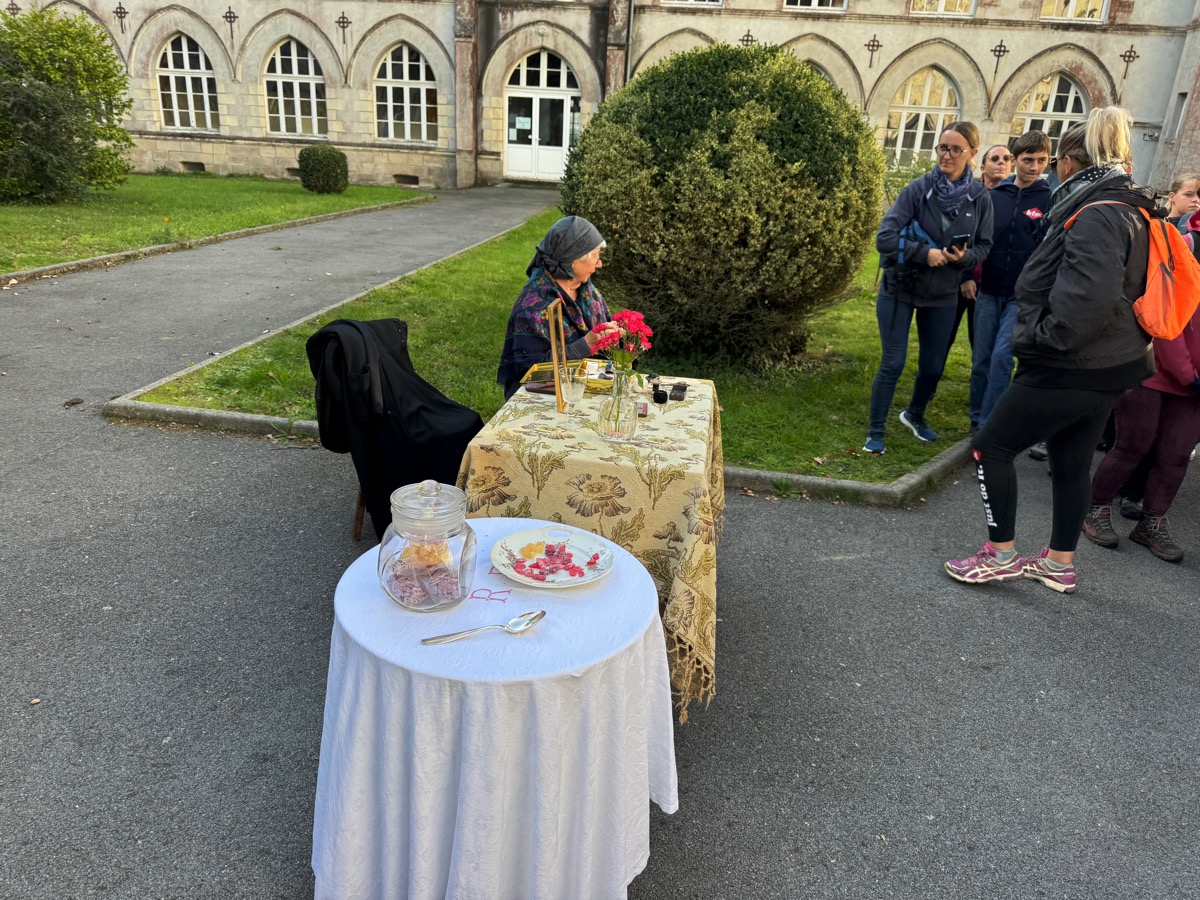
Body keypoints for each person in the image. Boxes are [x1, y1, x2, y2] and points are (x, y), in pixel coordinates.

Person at [944, 107, 1155, 595]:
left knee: (990, 446)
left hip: (1071, 361)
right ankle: (1059, 564)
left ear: (1067, 163)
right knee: (1070, 458)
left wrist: (1039, 340)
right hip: (1109, 360)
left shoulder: (1097, 212)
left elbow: (1087, 301)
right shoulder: (1125, 205)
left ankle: (1000, 555)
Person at [865, 122, 994, 454]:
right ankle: (875, 431)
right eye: (942, 148)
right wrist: (925, 253)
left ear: (972, 153)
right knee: (893, 362)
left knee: (934, 366)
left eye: (955, 149)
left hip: (943, 294)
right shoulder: (918, 189)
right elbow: (885, 238)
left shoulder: (979, 198)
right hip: (900, 287)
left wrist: (964, 258)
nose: (946, 155)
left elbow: (984, 246)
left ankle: (914, 414)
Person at [1081, 299, 1200, 563]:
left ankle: (1151, 523)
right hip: (1150, 368)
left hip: (1192, 387)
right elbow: (1166, 321)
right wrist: (1190, 377)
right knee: (1132, 445)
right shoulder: (1185, 274)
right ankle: (1096, 509)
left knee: (1177, 454)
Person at [968, 131, 1053, 431]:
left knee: (1002, 357)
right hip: (989, 290)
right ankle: (975, 415)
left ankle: (989, 423)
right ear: (1015, 160)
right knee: (981, 359)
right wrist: (967, 276)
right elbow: (974, 239)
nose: (1034, 167)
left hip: (1022, 295)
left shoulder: (1049, 200)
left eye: (1041, 161)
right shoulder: (993, 197)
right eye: (1028, 160)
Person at [496, 216, 619, 399]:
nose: (599, 263)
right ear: (573, 261)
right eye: (596, 256)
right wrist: (585, 346)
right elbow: (531, 370)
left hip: (586, 384)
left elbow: (604, 331)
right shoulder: (534, 306)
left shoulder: (585, 289)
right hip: (542, 396)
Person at [947, 144, 1013, 358]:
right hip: (960, 276)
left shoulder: (1014, 201)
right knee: (944, 336)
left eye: (1006, 159)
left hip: (990, 285)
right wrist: (965, 277)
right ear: (983, 167)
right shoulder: (970, 195)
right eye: (995, 158)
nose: (1001, 162)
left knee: (981, 344)